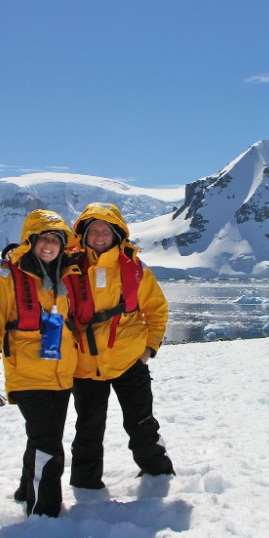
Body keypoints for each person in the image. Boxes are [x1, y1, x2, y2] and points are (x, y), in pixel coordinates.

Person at [0, 210, 80, 518]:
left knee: (42, 439)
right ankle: (44, 512)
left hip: (61, 374)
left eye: (55, 240)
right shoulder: (7, 278)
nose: (49, 246)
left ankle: (26, 491)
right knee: (49, 445)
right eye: (43, 239)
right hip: (28, 374)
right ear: (31, 241)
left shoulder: (65, 274)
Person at [67, 202, 174, 490]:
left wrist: (149, 349)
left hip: (129, 361)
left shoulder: (135, 268)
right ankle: (85, 486)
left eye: (105, 230)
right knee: (87, 429)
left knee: (142, 424)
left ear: (117, 234)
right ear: (84, 234)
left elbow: (157, 309)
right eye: (94, 230)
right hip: (86, 364)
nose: (99, 235)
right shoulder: (69, 266)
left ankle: (158, 475)